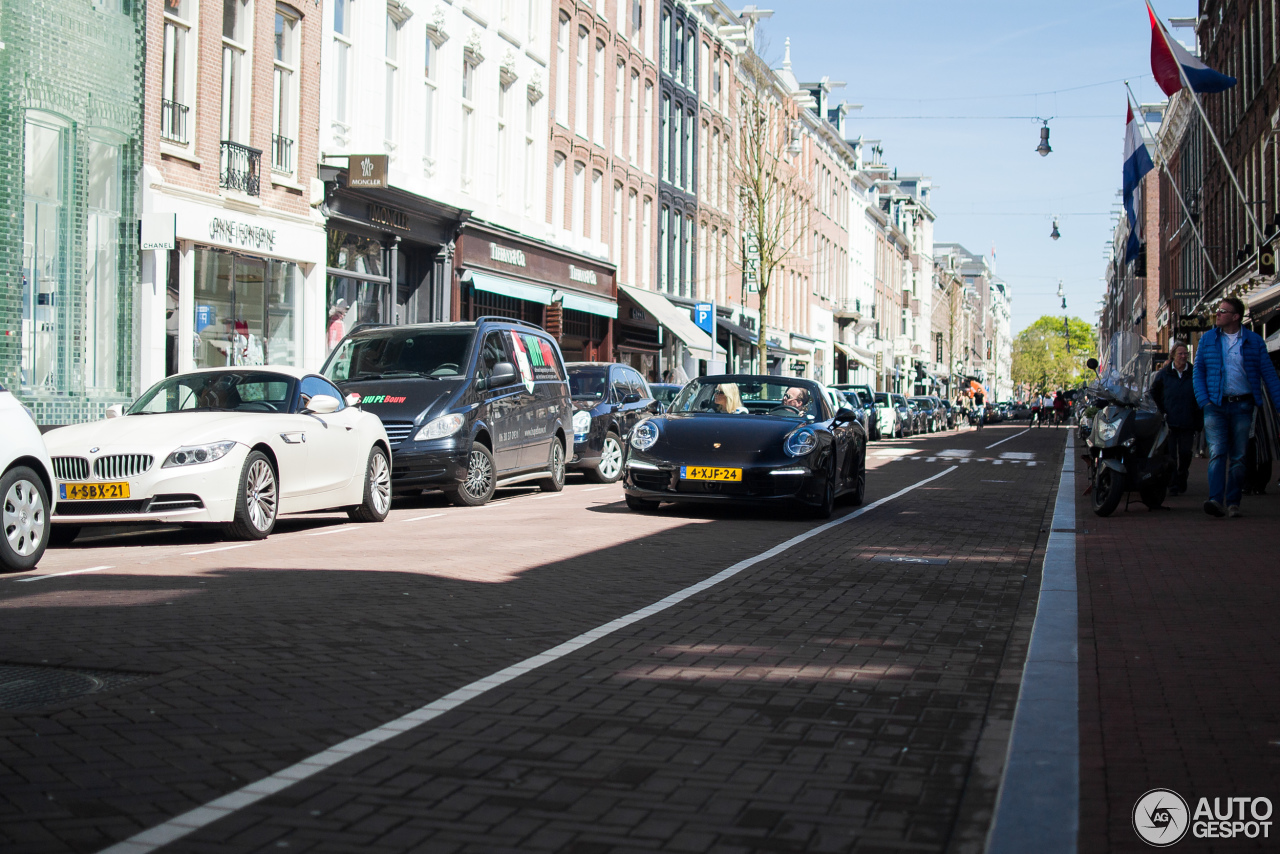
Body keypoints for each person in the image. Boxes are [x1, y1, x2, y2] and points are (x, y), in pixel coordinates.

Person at [1192, 297, 1280, 517]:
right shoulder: (1207, 340)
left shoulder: (1254, 341)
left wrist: (1278, 405)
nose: (1218, 314)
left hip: (1242, 405)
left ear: (1235, 316)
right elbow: (1199, 371)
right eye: (1218, 310)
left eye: (1223, 311)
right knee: (1217, 453)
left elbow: (1268, 374)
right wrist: (1204, 400)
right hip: (1215, 405)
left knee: (1239, 456)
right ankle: (1215, 500)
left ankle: (1233, 502)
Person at [1151, 341, 1201, 496]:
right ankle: (1173, 483)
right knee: (1171, 454)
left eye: (1186, 353)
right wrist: (1162, 410)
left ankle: (1182, 474)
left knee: (1186, 452)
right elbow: (1154, 393)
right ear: (1173, 355)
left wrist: (1199, 417)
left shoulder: (1194, 372)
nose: (1183, 356)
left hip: (1188, 420)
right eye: (1180, 353)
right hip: (1170, 421)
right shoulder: (1164, 374)